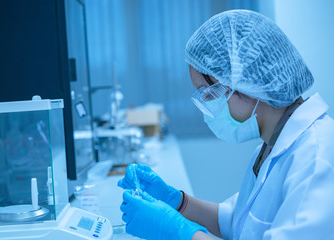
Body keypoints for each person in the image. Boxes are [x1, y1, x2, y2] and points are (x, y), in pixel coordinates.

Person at [118, 9, 334, 240]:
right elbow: (238, 223)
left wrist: (176, 233)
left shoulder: (317, 158)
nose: (207, 109)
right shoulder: (272, 145)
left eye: (209, 95)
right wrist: (177, 201)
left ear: (249, 84)